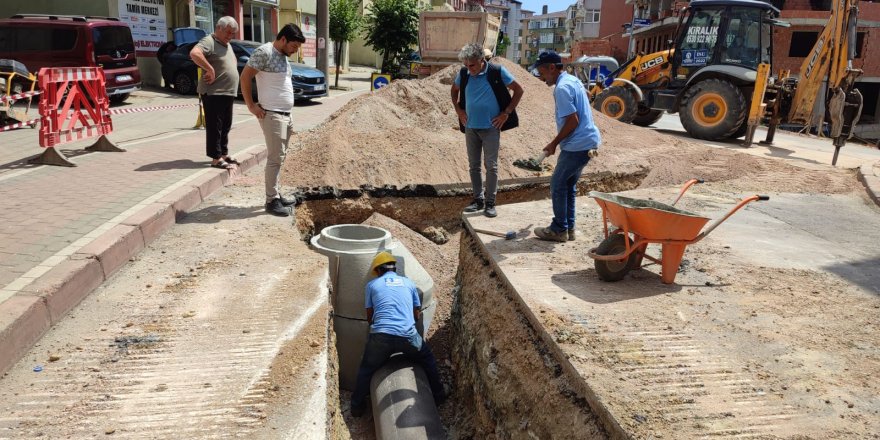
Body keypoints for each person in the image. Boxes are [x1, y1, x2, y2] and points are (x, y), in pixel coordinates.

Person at [350, 252, 446, 417]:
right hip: (408, 335)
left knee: (366, 369)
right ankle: (439, 396)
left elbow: (369, 317)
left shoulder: (372, 285)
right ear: (394, 268)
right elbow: (416, 315)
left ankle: (357, 407)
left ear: (378, 271)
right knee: (428, 359)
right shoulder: (409, 284)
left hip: (380, 336)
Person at [531, 51, 601, 242]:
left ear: (552, 68)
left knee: (557, 184)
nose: (541, 76)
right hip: (587, 142)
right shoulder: (572, 80)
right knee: (568, 185)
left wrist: (554, 143)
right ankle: (569, 228)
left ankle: (559, 229)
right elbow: (586, 94)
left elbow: (572, 121)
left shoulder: (561, 88)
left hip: (577, 145)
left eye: (542, 72)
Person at [240, 24, 306, 217]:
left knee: (281, 156)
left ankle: (276, 195)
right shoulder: (264, 52)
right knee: (275, 157)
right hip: (273, 116)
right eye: (293, 46)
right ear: (283, 39)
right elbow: (245, 78)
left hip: (286, 116)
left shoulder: (283, 57)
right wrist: (251, 106)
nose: (295, 51)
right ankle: (271, 201)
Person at [451, 43, 524, 218]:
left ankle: (490, 203)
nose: (470, 69)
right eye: (467, 65)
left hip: (491, 128)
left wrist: (506, 113)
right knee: (473, 166)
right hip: (470, 128)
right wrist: (459, 111)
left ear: (481, 60)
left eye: (473, 65)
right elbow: (454, 91)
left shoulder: (496, 71)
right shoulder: (464, 74)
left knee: (491, 166)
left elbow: (519, 90)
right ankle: (478, 200)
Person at [190, 16, 240, 170]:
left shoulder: (226, 44)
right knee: (215, 126)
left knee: (226, 125)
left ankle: (223, 154)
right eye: (228, 32)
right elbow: (195, 53)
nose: (230, 36)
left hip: (227, 92)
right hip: (214, 92)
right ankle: (215, 158)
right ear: (219, 28)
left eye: (233, 34)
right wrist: (210, 69)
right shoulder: (209, 41)